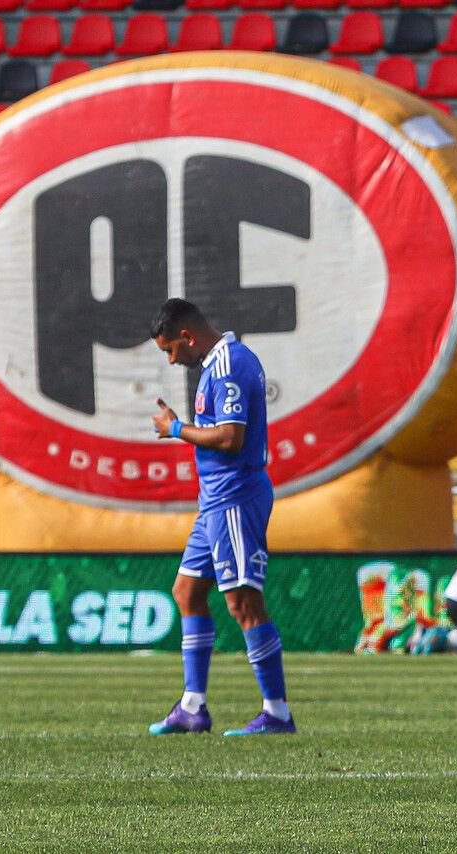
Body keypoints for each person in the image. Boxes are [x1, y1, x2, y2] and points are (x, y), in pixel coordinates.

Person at [146, 298, 294, 736]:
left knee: (243, 602)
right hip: (214, 499)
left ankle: (277, 713)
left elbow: (231, 437)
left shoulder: (229, 363)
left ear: (188, 336)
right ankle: (193, 706)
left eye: (171, 350)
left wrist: (175, 429)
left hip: (235, 498)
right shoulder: (215, 363)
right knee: (187, 591)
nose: (173, 360)